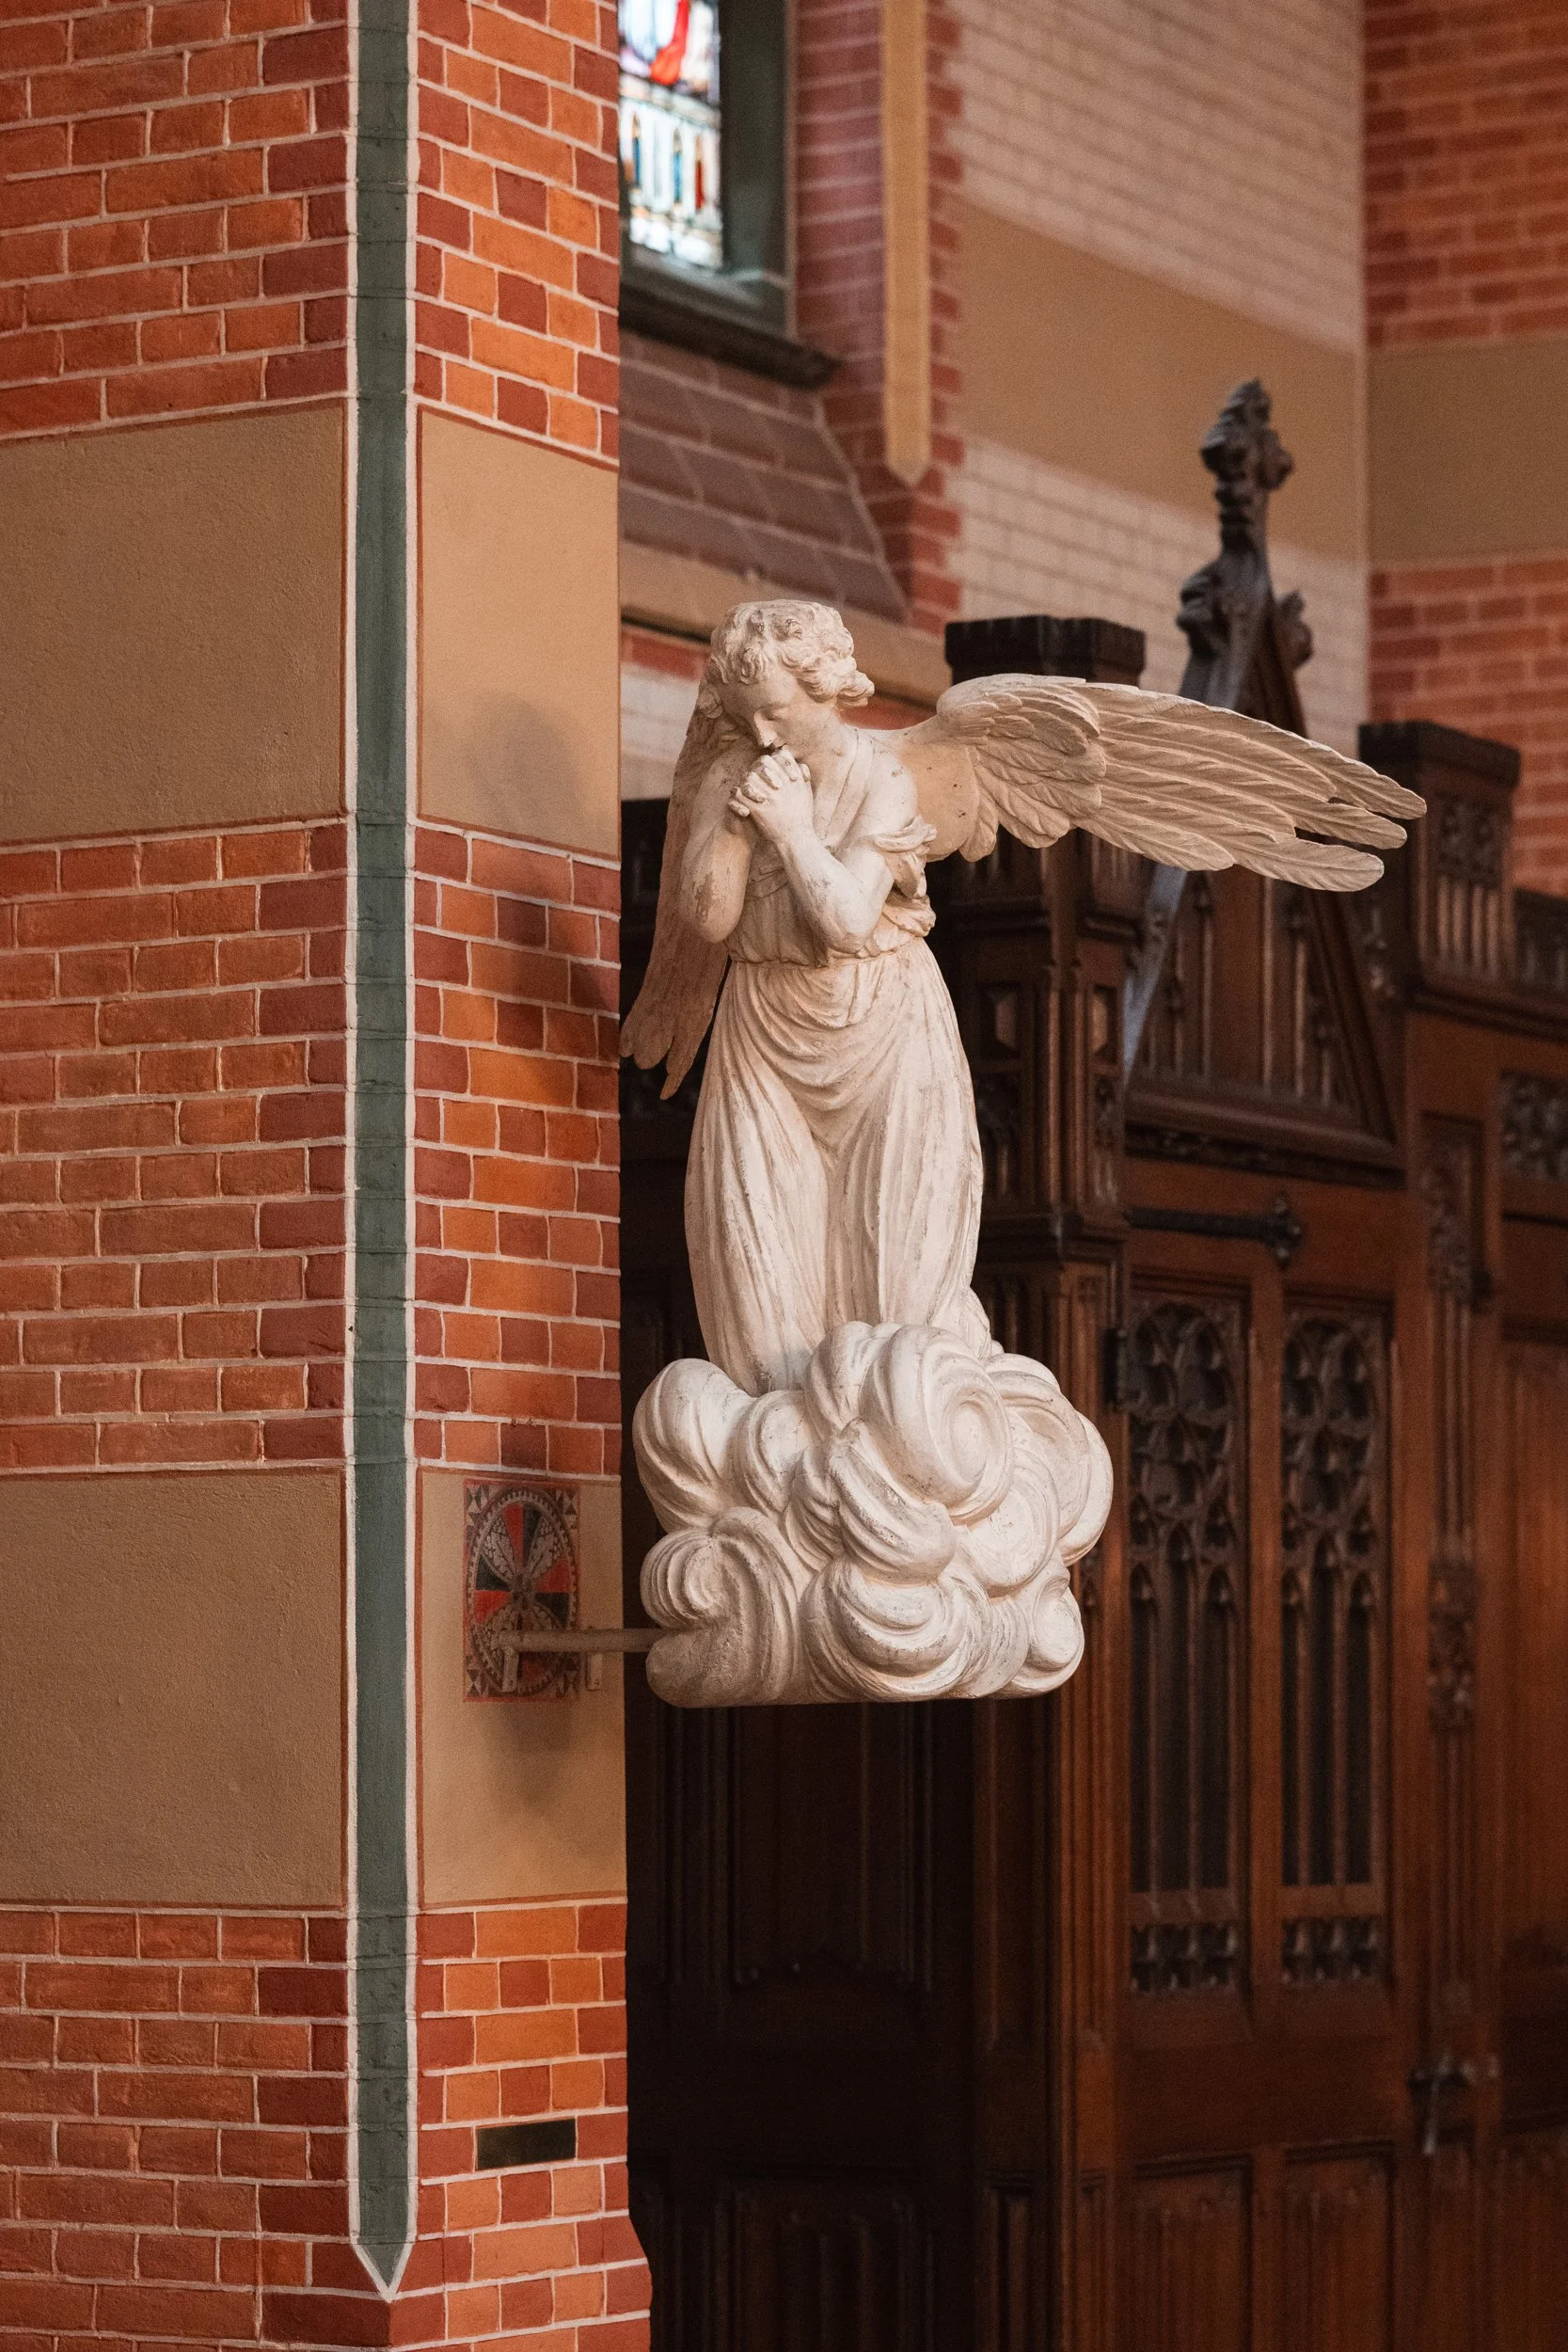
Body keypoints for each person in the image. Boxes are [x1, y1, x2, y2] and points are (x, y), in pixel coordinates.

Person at [673, 600, 990, 1396]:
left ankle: (900, 1454)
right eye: (749, 718)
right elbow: (708, 918)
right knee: (757, 1269)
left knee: (894, 1285)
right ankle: (772, 1477)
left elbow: (848, 920)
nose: (766, 736)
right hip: (764, 1025)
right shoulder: (732, 768)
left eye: (777, 712)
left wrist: (788, 829)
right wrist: (739, 829)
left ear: (824, 688)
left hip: (879, 1023)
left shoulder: (881, 773)